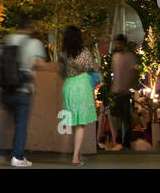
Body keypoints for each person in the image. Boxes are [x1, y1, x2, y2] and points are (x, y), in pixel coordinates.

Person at [0, 16, 45, 167]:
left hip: (6, 88)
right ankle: (17, 157)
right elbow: (39, 63)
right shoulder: (34, 43)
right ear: (30, 28)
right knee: (21, 125)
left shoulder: (8, 39)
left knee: (5, 123)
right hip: (23, 89)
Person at [58, 25, 99, 165]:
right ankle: (75, 156)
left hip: (68, 86)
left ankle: (69, 153)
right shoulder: (85, 52)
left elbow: (61, 72)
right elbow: (90, 68)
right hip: (81, 85)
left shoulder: (63, 54)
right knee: (80, 124)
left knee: (69, 121)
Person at [109, 34, 136, 151]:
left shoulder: (129, 57)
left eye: (120, 43)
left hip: (125, 92)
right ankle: (119, 140)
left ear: (124, 44)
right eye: (117, 43)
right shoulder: (115, 56)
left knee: (126, 117)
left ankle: (126, 143)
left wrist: (128, 87)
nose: (118, 45)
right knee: (116, 116)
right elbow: (115, 74)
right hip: (116, 91)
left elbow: (133, 73)